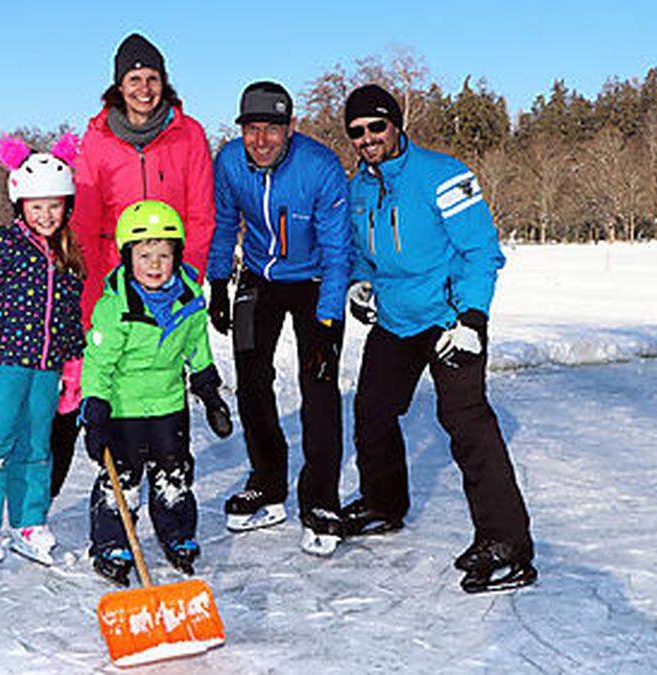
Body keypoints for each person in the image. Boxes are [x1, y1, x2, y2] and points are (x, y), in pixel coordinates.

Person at [342, 84, 536, 593]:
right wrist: (361, 282)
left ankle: (507, 542)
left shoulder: (444, 175)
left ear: (396, 125)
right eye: (357, 132)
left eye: (376, 128)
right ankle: (383, 504)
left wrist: (471, 320)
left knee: (466, 422)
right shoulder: (359, 186)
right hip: (396, 317)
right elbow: (364, 252)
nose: (368, 139)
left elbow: (481, 252)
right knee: (372, 410)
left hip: (451, 316)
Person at [52, 32, 217, 501]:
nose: (144, 88)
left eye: (152, 78)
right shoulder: (97, 139)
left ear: (164, 82)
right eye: (134, 79)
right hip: (113, 287)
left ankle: (170, 491)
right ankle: (101, 495)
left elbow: (201, 215)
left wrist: (186, 281)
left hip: (170, 280)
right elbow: (84, 221)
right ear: (117, 86)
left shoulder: (190, 134)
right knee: (107, 383)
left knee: (161, 379)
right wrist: (89, 297)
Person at [206, 81, 354, 556]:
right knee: (250, 381)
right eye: (252, 129)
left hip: (315, 283)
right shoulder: (229, 162)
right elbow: (225, 221)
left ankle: (322, 499)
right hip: (259, 277)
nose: (261, 139)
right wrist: (217, 284)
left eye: (272, 128)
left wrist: (330, 321)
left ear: (291, 127)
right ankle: (268, 484)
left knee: (318, 384)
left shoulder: (320, 167)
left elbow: (337, 252)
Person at [0, 133, 86, 581]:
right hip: (5, 364)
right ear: (20, 204)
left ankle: (29, 522)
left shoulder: (67, 255)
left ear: (67, 205)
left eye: (55, 206)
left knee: (36, 449)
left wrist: (73, 368)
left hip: (46, 369)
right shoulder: (3, 247)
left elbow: (69, 318)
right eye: (37, 206)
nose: (47, 215)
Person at [79, 200, 232, 586]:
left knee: (174, 474)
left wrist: (208, 389)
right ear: (128, 257)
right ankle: (112, 543)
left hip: (168, 405)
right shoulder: (115, 307)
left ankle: (177, 534)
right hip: (123, 409)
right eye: (144, 255)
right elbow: (98, 364)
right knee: (122, 481)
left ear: (176, 256)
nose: (154, 265)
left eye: (163, 255)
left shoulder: (189, 297)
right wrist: (95, 410)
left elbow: (196, 344)